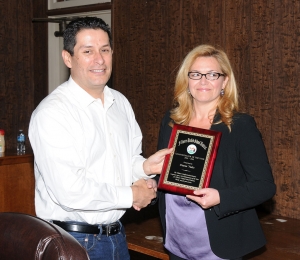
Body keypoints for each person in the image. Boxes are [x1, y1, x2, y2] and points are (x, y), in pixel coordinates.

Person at [28, 17, 171, 260]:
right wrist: (132, 194)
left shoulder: (120, 102)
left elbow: (126, 160)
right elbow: (70, 191)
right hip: (72, 242)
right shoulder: (52, 113)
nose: (100, 59)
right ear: (67, 58)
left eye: (105, 50)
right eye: (88, 51)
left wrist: (145, 167)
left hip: (116, 237)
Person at [156, 44, 276, 260]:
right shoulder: (172, 121)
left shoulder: (240, 126)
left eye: (212, 74)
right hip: (176, 237)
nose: (203, 81)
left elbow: (264, 186)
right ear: (187, 80)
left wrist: (221, 197)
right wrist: (150, 181)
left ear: (225, 81)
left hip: (218, 242)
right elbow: (163, 172)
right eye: (196, 74)